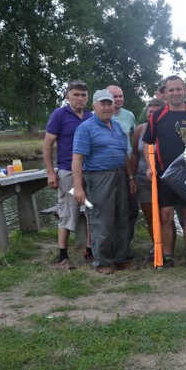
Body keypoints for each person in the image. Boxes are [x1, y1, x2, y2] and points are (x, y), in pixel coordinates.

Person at [142, 76, 186, 268]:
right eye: (171, 90)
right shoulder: (157, 116)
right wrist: (151, 166)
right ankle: (167, 255)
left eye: (179, 89)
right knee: (166, 215)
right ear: (165, 93)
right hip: (164, 175)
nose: (175, 93)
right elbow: (147, 143)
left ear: (185, 90)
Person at [72, 90, 136, 275]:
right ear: (94, 106)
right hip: (98, 178)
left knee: (122, 218)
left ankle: (122, 257)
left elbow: (124, 156)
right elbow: (77, 159)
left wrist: (130, 177)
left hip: (120, 176)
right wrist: (78, 187)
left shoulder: (117, 127)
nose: (108, 107)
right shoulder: (86, 128)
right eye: (103, 104)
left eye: (110, 103)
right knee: (102, 220)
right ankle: (103, 261)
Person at [43, 81, 93, 270]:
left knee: (91, 209)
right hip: (67, 171)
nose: (80, 98)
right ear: (68, 97)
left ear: (87, 98)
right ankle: (63, 255)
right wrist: (51, 173)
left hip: (90, 171)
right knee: (67, 211)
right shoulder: (59, 115)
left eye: (83, 95)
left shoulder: (91, 116)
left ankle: (90, 249)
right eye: (76, 95)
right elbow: (47, 146)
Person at [129, 98, 164, 259]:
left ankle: (167, 246)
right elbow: (135, 155)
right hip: (144, 178)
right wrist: (132, 177)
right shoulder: (140, 130)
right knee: (150, 215)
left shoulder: (168, 129)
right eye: (150, 112)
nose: (153, 116)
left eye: (157, 113)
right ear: (147, 113)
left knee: (165, 215)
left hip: (164, 178)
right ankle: (155, 244)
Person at [107, 85, 139, 243]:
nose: (118, 99)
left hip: (128, 167)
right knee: (111, 208)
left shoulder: (129, 115)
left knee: (132, 206)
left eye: (120, 96)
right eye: (115, 96)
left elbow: (133, 140)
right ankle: (110, 243)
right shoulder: (96, 116)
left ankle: (127, 242)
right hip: (107, 169)